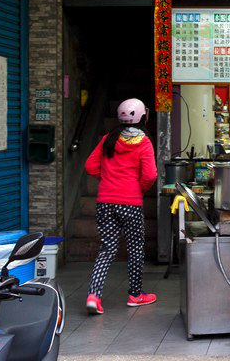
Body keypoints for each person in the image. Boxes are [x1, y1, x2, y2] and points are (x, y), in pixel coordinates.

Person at [84, 98, 158, 314]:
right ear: (143, 117)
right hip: (130, 202)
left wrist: (107, 180)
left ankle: (93, 296)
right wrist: (138, 189)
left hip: (105, 202)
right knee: (135, 249)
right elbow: (150, 175)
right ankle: (135, 295)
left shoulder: (109, 138)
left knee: (107, 249)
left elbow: (90, 166)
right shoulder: (144, 142)